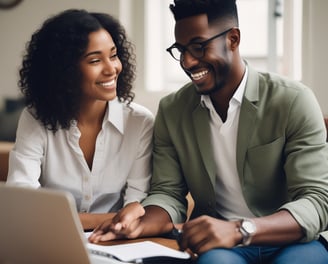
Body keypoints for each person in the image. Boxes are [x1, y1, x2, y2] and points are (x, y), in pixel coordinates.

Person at [89, 0, 328, 263]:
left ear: (233, 39)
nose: (188, 61)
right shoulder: (172, 110)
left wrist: (240, 229)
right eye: (180, 50)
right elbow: (168, 193)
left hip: (291, 240)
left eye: (199, 47)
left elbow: (317, 199)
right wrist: (142, 223)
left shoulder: (292, 101)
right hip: (219, 246)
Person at [6, 9, 154, 231]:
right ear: (64, 70)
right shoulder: (35, 118)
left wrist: (123, 219)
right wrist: (109, 220)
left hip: (116, 242)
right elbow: (23, 202)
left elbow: (136, 203)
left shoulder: (139, 122)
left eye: (113, 55)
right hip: (51, 238)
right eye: (95, 60)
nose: (112, 68)